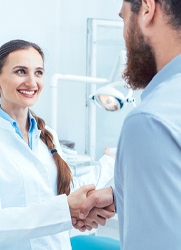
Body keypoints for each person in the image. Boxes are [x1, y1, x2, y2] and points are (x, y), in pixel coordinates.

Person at [0, 39, 115, 250]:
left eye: (38, 72)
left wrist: (108, 164)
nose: (32, 82)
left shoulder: (48, 135)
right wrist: (65, 209)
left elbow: (65, 190)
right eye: (21, 71)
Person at [78, 0, 181, 249]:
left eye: (123, 19)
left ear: (147, 9)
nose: (124, 35)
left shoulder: (150, 122)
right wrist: (122, 193)